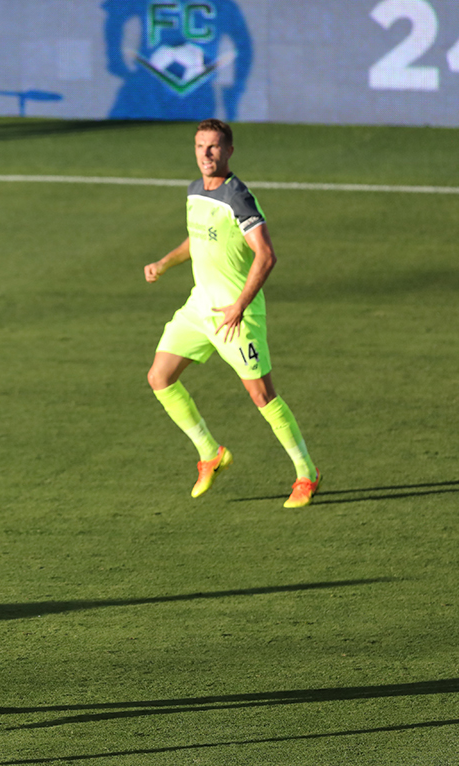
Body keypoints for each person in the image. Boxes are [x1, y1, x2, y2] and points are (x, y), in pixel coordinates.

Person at [143, 119, 320, 508]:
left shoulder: (238, 196)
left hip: (235, 316)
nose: (206, 154)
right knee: (160, 376)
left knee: (261, 395)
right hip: (198, 308)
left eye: (214, 147)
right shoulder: (194, 191)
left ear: (229, 151)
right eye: (200, 146)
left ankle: (306, 473)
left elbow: (266, 254)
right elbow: (198, 237)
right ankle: (211, 453)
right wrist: (164, 262)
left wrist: (240, 305)